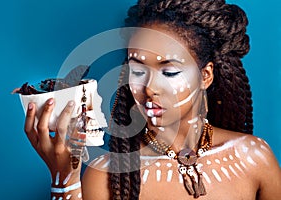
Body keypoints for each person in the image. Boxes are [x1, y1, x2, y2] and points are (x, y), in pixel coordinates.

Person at [24, 0, 281, 199]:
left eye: (169, 72)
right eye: (137, 71)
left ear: (205, 76)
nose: (149, 88)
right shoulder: (106, 174)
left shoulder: (254, 157)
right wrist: (64, 179)